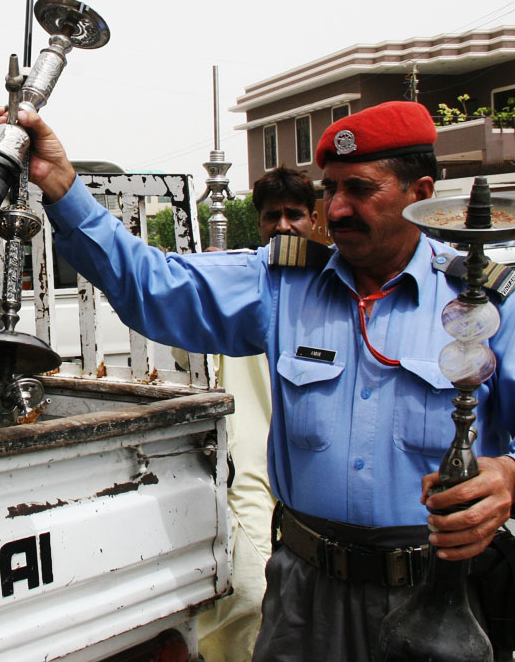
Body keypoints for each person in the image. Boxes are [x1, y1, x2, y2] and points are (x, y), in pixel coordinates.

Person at [0, 100, 515, 661]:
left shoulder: (488, 302)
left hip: (437, 600)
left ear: (421, 193)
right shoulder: (283, 282)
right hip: (304, 601)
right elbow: (154, 287)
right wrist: (63, 188)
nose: (335, 209)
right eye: (330, 189)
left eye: (360, 190)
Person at [198, 166, 317, 662]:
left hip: (310, 464)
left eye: (295, 215)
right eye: (273, 217)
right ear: (259, 222)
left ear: (315, 219)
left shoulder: (332, 284)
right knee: (251, 587)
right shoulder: (242, 282)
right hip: (250, 456)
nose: (284, 226)